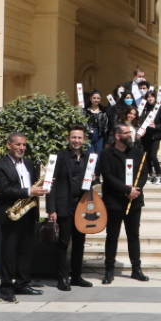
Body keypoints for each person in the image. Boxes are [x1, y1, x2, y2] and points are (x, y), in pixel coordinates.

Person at [0, 132, 45, 302]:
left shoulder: (29, 163)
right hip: (10, 213)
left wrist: (42, 186)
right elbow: (5, 189)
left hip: (28, 212)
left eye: (24, 145)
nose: (21, 148)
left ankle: (23, 284)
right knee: (9, 252)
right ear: (9, 145)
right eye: (18, 144)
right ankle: (6, 287)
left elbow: (33, 184)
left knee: (25, 251)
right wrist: (30, 191)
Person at [99, 123, 149, 284]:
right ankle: (109, 270)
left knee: (133, 236)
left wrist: (136, 190)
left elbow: (143, 174)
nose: (129, 135)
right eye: (126, 133)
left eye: (130, 132)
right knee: (112, 236)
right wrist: (126, 190)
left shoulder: (137, 152)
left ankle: (136, 269)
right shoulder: (106, 153)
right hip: (114, 201)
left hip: (134, 201)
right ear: (117, 136)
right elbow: (107, 176)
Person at [46, 124, 93, 291]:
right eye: (73, 137)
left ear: (84, 139)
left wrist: (94, 178)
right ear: (68, 138)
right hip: (64, 205)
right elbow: (50, 183)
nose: (76, 140)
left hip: (82, 206)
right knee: (63, 243)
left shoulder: (89, 158)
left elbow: (89, 183)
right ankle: (62, 278)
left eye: (79, 137)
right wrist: (51, 209)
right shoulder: (58, 157)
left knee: (80, 242)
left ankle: (77, 276)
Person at [137, 89, 161, 183]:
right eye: (148, 97)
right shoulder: (144, 109)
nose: (150, 99)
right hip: (145, 136)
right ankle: (151, 175)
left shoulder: (160, 108)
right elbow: (140, 121)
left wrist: (155, 126)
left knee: (153, 155)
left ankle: (159, 176)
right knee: (147, 156)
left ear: (155, 98)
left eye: (152, 96)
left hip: (155, 136)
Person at [83, 89, 109, 155]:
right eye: (94, 98)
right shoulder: (85, 110)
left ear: (100, 99)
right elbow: (82, 122)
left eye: (98, 98)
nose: (96, 100)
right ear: (90, 98)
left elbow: (106, 125)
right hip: (88, 135)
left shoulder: (103, 111)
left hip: (99, 135)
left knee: (99, 155)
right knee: (88, 155)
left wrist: (106, 138)